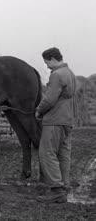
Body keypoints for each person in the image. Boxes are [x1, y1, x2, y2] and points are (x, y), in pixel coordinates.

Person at [35, 47, 76, 203]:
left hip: (54, 121)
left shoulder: (57, 75)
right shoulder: (70, 73)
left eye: (46, 62)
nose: (46, 66)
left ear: (52, 58)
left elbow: (50, 99)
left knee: (46, 153)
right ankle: (64, 186)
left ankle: (56, 190)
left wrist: (38, 111)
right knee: (63, 154)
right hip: (67, 121)